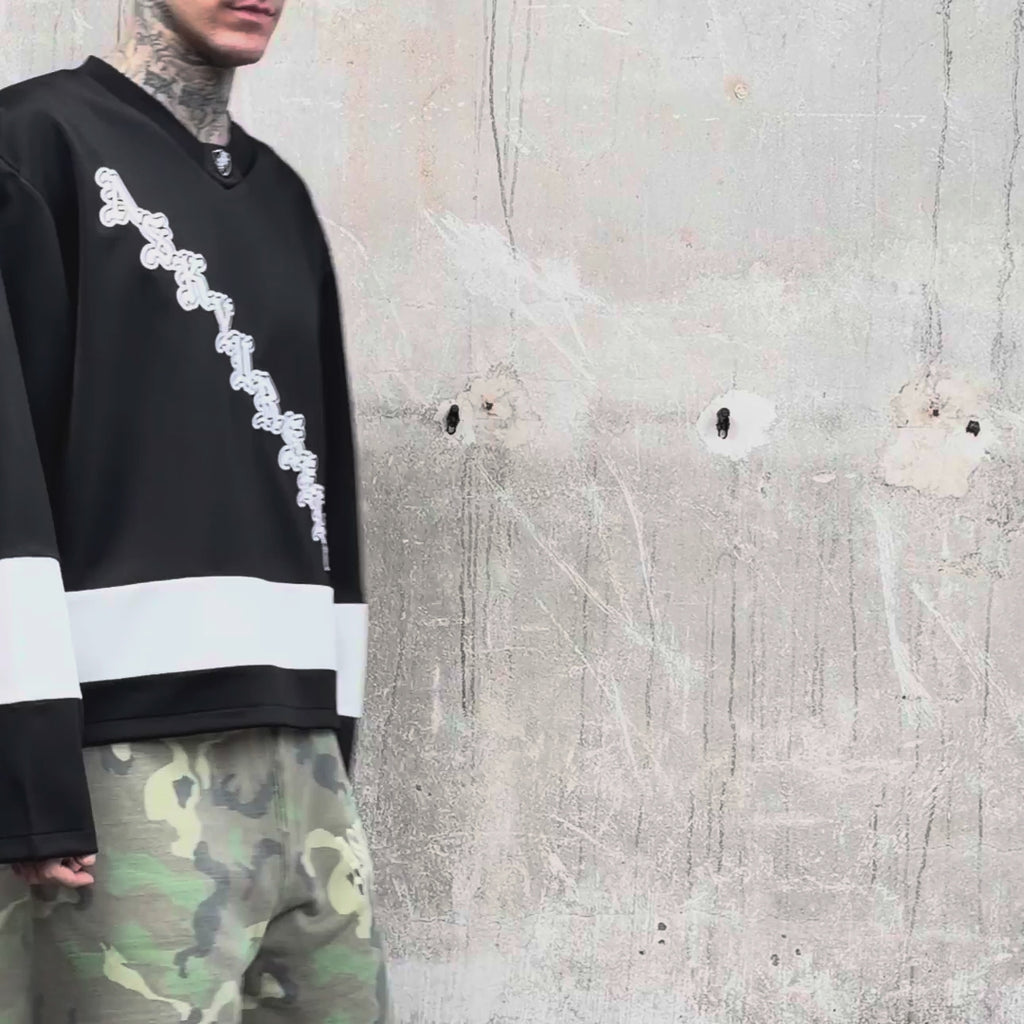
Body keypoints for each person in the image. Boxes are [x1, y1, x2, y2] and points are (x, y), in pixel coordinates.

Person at [0, 0, 388, 1020]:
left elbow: (326, 484)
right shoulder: (32, 145)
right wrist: (29, 771)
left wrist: (333, 732)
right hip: (117, 763)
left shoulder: (282, 198)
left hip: (300, 758)